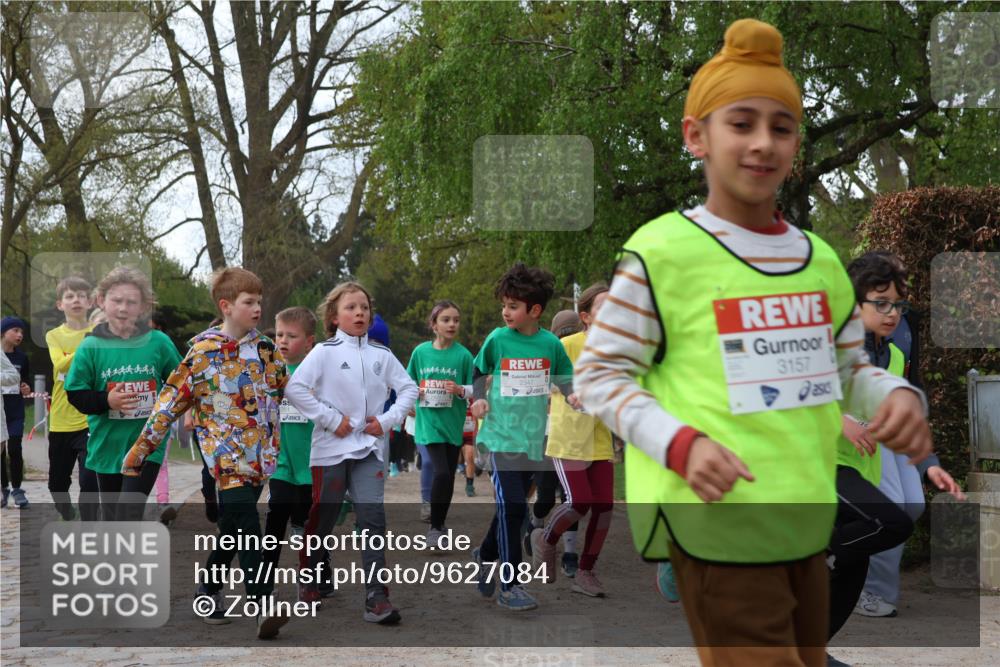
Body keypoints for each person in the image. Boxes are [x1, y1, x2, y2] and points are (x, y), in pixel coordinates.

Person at [574, 19, 931, 666]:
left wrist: (895, 393)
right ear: (696, 137)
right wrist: (680, 443)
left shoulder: (821, 259)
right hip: (717, 520)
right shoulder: (661, 253)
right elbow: (598, 376)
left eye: (782, 126)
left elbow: (849, 368)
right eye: (741, 123)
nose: (763, 142)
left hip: (806, 514)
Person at [121, 267, 290, 639]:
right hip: (223, 455)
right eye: (249, 302)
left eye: (260, 301)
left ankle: (208, 589)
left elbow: (291, 390)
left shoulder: (266, 350)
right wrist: (140, 449)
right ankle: (262, 602)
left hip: (259, 455)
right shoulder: (200, 353)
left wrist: (334, 417)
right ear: (227, 306)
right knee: (248, 525)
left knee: (233, 527)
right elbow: (167, 405)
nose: (258, 308)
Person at [838, 254, 965, 622]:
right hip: (836, 450)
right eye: (882, 303)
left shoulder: (895, 346)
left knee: (911, 507)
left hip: (882, 434)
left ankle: (855, 575)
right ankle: (862, 583)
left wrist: (929, 463)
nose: (893, 312)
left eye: (898, 303)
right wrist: (841, 420)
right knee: (889, 511)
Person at [285, 281, 417, 624]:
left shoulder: (382, 355)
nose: (359, 312)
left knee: (372, 518)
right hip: (329, 450)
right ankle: (309, 576)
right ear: (333, 316)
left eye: (364, 307)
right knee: (323, 517)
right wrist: (330, 420)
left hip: (369, 449)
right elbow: (296, 388)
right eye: (350, 307)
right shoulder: (324, 352)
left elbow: (409, 389)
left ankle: (376, 596)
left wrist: (386, 421)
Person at [470, 263, 578, 611]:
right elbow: (477, 369)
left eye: (513, 306)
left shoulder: (550, 344)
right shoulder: (498, 339)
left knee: (510, 508)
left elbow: (565, 379)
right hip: (501, 437)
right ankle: (510, 585)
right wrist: (480, 396)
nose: (506, 312)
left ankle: (484, 553)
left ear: (535, 311)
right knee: (514, 507)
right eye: (504, 304)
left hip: (534, 441)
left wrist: (573, 395)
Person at [65, 267, 180, 522]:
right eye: (117, 300)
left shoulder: (158, 342)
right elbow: (75, 393)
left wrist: (179, 412)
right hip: (106, 446)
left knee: (129, 513)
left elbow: (180, 382)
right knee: (112, 516)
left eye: (131, 302)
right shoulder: (90, 346)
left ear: (143, 307)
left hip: (146, 445)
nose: (123, 308)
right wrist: (106, 401)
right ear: (101, 301)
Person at [532, 286, 615, 598]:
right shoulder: (565, 345)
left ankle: (585, 571)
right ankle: (546, 540)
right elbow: (541, 380)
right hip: (567, 436)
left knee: (604, 507)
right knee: (579, 502)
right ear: (586, 316)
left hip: (600, 435)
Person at [263, 307, 334, 596]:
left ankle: (320, 574)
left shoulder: (318, 376)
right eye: (279, 334)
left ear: (309, 342)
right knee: (275, 520)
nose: (282, 341)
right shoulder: (269, 374)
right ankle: (264, 579)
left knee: (310, 526)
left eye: (291, 336)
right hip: (281, 464)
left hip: (312, 463)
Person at [406, 300, 475, 549]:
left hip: (452, 424)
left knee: (446, 479)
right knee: (443, 472)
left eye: (456, 320)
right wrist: (413, 396)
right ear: (434, 325)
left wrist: (459, 390)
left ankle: (440, 523)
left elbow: (474, 388)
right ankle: (435, 529)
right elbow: (408, 381)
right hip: (428, 423)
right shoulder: (421, 352)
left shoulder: (464, 355)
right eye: (446, 320)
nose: (452, 324)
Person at [45, 277, 100, 520]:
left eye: (81, 295)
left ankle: (89, 527)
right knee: (57, 485)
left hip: (89, 420)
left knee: (90, 480)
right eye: (69, 296)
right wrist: (88, 346)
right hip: (60, 420)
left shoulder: (99, 332)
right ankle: (66, 511)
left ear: (90, 302)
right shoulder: (54, 335)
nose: (75, 300)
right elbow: (59, 364)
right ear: (60, 304)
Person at [1, 316, 32, 509]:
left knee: (14, 448)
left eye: (21, 331)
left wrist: (26, 387)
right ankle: (3, 488)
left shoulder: (21, 358)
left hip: (15, 410)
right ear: (4, 332)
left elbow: (24, 381)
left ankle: (18, 489)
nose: (20, 335)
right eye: (15, 330)